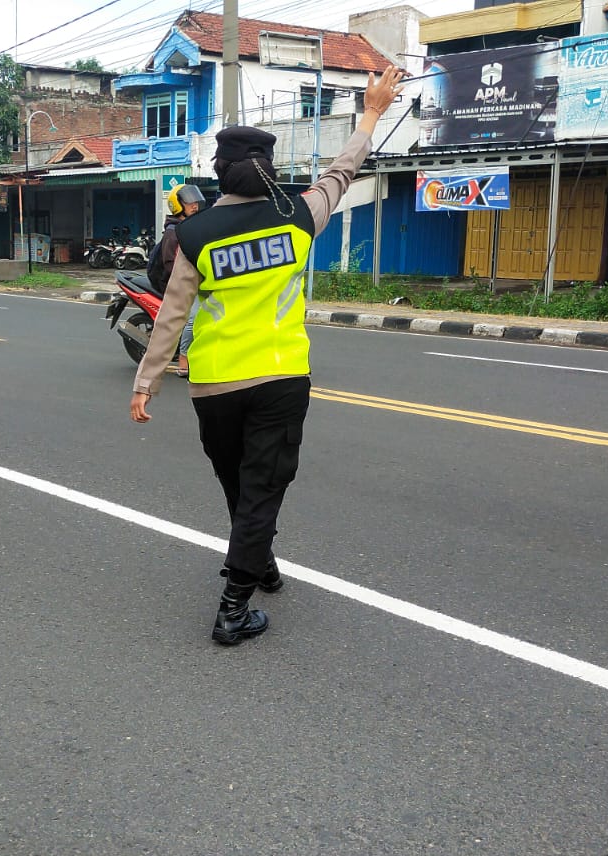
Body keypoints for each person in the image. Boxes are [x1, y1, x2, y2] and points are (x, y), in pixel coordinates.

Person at [128, 66, 405, 645]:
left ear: (218, 173)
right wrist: (373, 112)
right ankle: (234, 607)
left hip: (214, 383)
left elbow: (172, 312)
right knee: (261, 488)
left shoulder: (197, 233)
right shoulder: (299, 214)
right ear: (270, 170)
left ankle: (261, 564)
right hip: (280, 378)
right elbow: (342, 170)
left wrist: (146, 381)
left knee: (240, 485)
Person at [148, 183, 207, 378]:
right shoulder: (173, 232)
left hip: (193, 282)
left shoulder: (189, 228)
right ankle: (183, 359)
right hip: (176, 285)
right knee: (193, 318)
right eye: (188, 201)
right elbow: (170, 264)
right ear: (177, 205)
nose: (194, 205)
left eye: (194, 199)